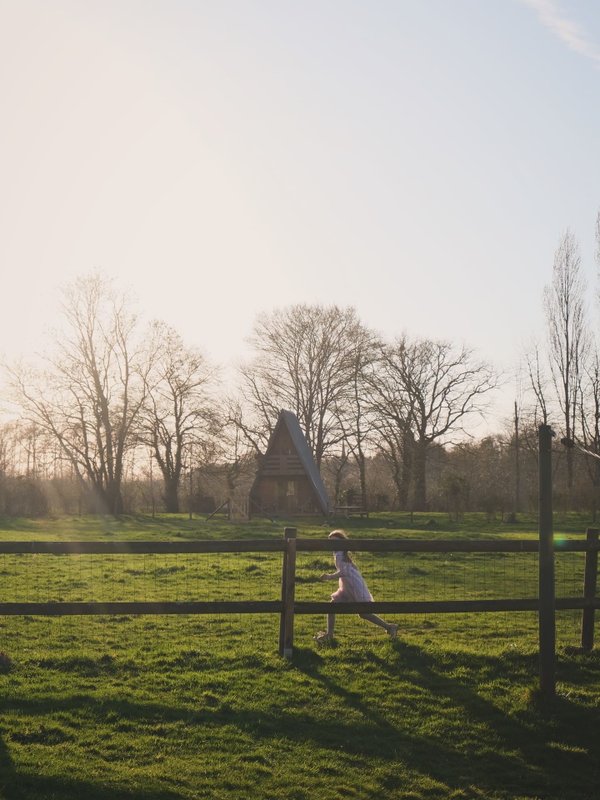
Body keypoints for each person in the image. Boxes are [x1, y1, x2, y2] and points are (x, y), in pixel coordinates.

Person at [315, 529, 398, 642]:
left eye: (335, 542)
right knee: (335, 607)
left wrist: (329, 576)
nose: (332, 545)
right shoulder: (341, 554)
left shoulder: (340, 555)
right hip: (349, 586)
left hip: (353, 586)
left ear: (342, 543)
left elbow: (345, 572)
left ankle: (389, 627)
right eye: (331, 542)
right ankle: (329, 634)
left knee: (362, 613)